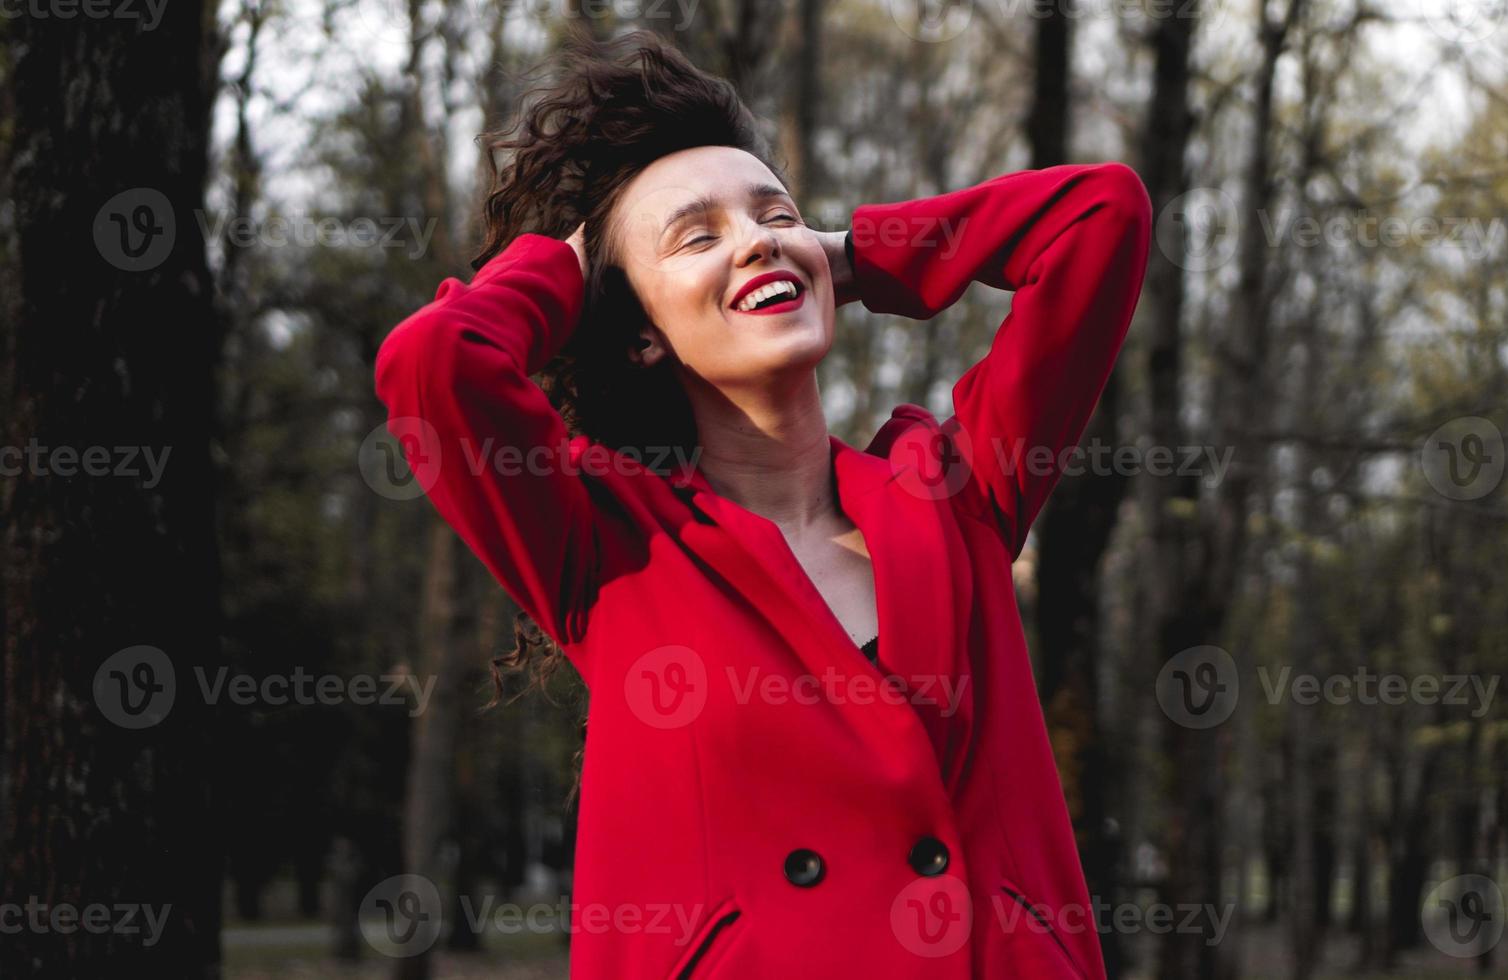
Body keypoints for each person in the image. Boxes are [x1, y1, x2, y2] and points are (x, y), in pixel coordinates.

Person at [373, 28, 1150, 980]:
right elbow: (431, 367)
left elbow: (1099, 217)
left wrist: (848, 254)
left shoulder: (957, 498)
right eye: (697, 235)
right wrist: (571, 273)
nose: (753, 240)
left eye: (773, 212)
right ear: (639, 334)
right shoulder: (610, 551)